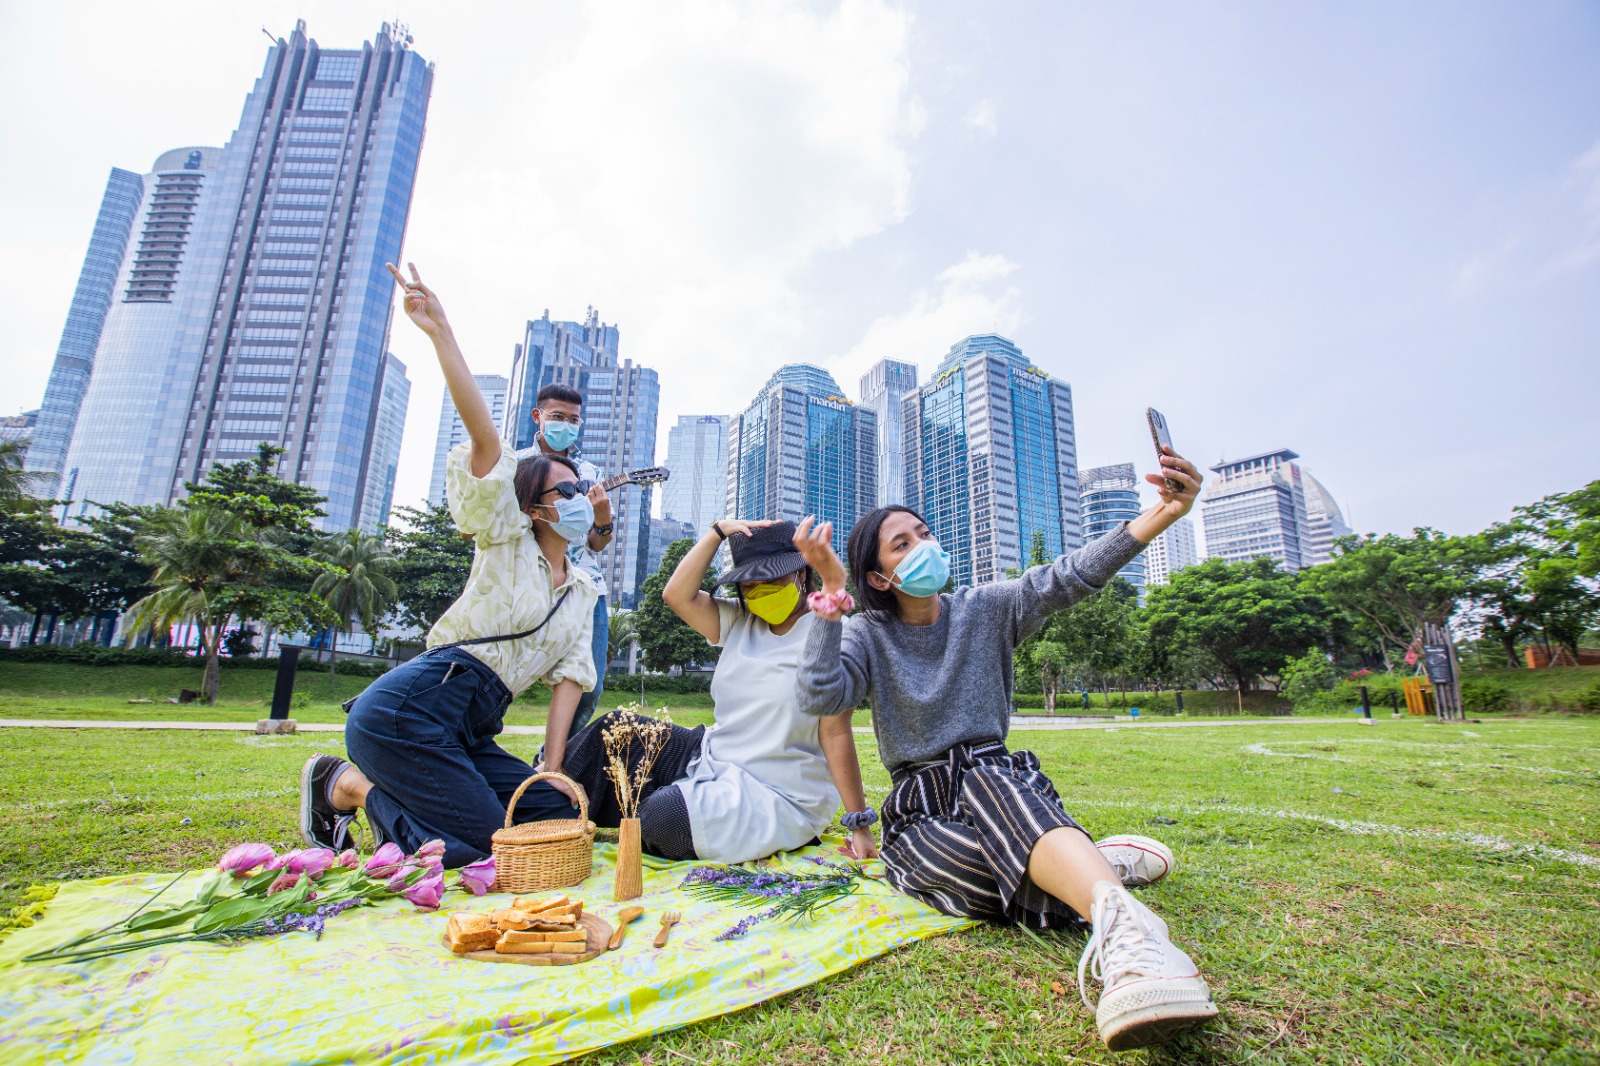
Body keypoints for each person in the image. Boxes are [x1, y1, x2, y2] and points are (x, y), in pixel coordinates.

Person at [791, 448, 1217, 1052]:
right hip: (919, 803)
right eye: (902, 544)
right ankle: (1092, 865)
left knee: (986, 778)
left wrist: (1166, 512)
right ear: (880, 577)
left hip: (995, 775)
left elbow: (1072, 574)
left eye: (924, 533)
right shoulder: (866, 633)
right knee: (962, 882)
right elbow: (818, 694)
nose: (923, 546)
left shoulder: (985, 608)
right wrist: (832, 594)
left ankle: (1130, 943)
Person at [298, 263, 596, 867]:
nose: (580, 501)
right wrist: (441, 334)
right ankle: (344, 785)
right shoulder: (505, 539)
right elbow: (486, 443)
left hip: (473, 725)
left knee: (554, 816)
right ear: (533, 509)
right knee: (487, 849)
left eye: (582, 492)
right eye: (564, 494)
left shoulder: (583, 590)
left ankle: (389, 793)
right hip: (417, 705)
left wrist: (555, 769)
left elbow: (570, 680)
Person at [550, 519, 878, 863]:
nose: (761, 591)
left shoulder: (830, 631)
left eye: (772, 580)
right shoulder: (740, 618)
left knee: (663, 818)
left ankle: (666, 805)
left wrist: (859, 824)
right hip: (710, 753)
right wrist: (717, 533)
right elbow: (676, 595)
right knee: (614, 732)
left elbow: (836, 732)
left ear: (801, 574)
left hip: (777, 791)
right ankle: (536, 815)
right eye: (750, 585)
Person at [523, 382, 614, 736]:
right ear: (539, 416)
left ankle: (554, 761)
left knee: (589, 687)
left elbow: (596, 544)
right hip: (529, 579)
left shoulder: (590, 472)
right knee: (497, 672)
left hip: (587, 586)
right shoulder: (515, 463)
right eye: (558, 416)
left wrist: (603, 520)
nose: (567, 425)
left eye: (574, 419)